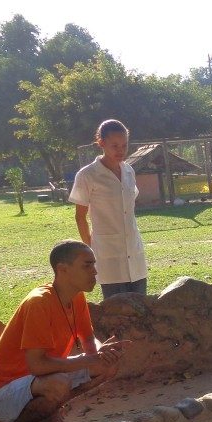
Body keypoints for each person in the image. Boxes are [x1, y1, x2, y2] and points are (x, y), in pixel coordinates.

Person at [0, 241, 128, 422]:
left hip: (37, 382)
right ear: (63, 269)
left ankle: (46, 417)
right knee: (58, 382)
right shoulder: (39, 302)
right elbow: (37, 365)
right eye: (87, 265)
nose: (95, 271)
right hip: (1, 394)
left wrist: (100, 352)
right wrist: (89, 359)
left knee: (107, 365)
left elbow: (88, 340)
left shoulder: (76, 297)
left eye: (94, 265)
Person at [70, 119, 148, 299]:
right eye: (114, 145)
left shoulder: (129, 171)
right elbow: (80, 217)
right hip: (108, 256)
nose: (120, 151)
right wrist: (90, 250)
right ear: (101, 143)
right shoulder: (87, 175)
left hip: (134, 253)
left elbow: (127, 209)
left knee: (141, 313)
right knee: (117, 314)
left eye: (124, 145)